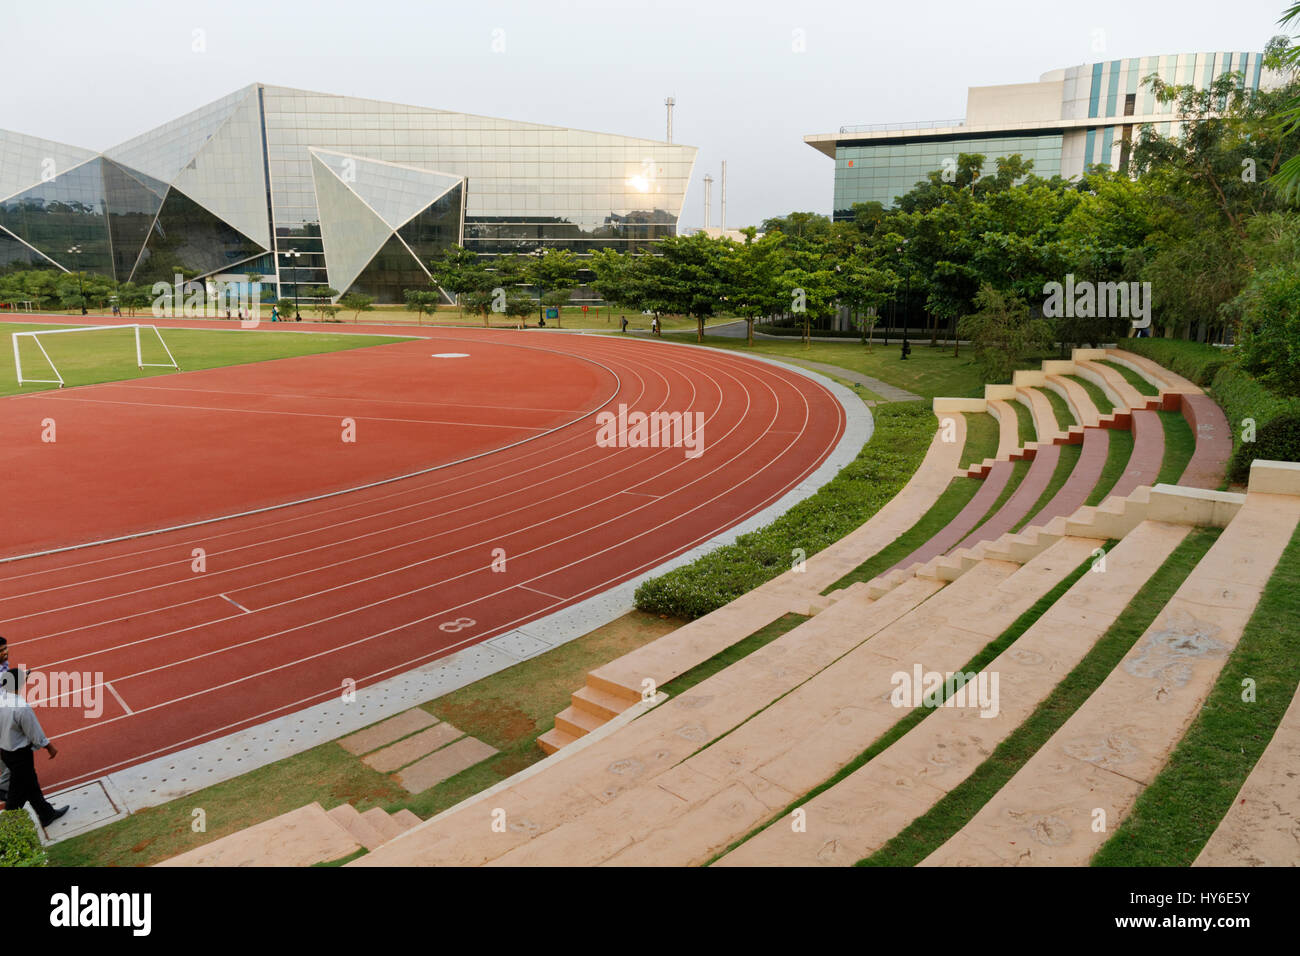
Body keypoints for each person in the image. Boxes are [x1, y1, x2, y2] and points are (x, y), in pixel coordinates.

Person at [0, 646, 68, 828]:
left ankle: (46, 813)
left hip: (6, 752)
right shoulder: (21, 706)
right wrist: (49, 746)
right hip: (20, 754)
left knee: (31, 784)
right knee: (16, 793)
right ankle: (10, 827)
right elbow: (34, 732)